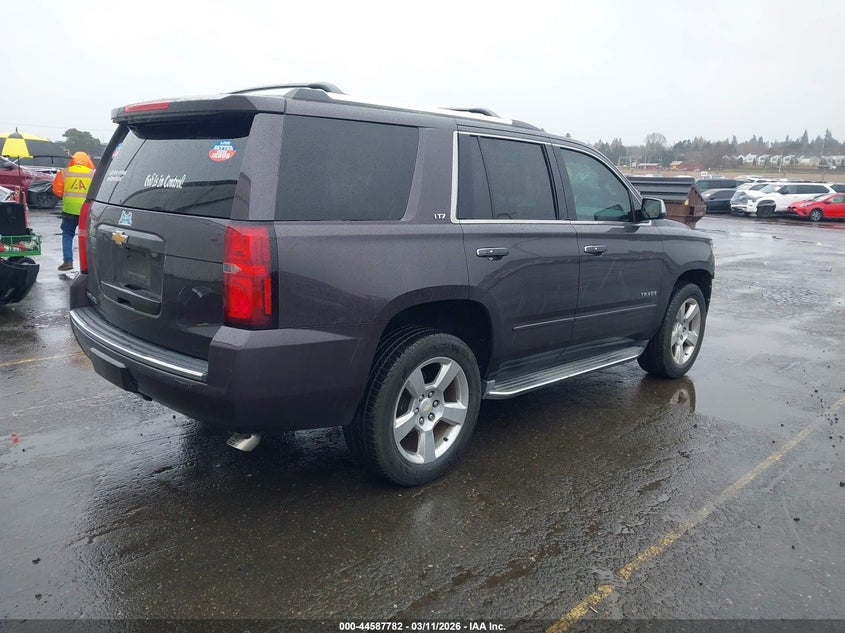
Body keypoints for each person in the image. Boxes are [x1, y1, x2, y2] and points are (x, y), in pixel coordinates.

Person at [52, 151, 95, 271]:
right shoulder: (92, 174)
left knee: (67, 234)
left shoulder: (64, 172)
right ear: (88, 161)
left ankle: (68, 262)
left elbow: (57, 190)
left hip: (69, 210)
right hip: (87, 211)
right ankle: (89, 264)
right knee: (87, 237)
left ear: (73, 160)